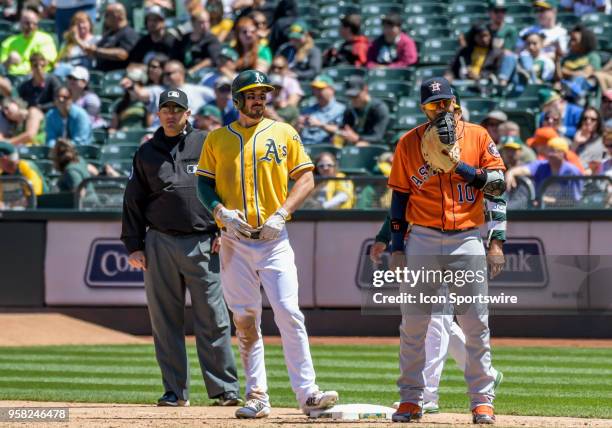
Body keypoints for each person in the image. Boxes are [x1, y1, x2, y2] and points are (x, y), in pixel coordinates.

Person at [195, 69, 339, 419]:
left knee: (290, 313)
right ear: (238, 99)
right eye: (252, 94)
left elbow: (306, 178)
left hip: (274, 240)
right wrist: (220, 211)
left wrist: (283, 213)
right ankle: (257, 395)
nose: (259, 99)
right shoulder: (217, 138)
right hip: (234, 240)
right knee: (245, 320)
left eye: (263, 94)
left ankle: (308, 394)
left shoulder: (284, 132)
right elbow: (203, 185)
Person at [388, 76, 506, 424]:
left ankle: (482, 400)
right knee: (414, 323)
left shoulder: (478, 136)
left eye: (445, 103)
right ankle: (411, 399)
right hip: (423, 236)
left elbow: (499, 185)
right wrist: (396, 246)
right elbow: (399, 197)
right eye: (433, 105)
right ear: (424, 108)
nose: (441, 109)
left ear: (455, 102)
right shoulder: (409, 143)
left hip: (468, 236)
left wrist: (461, 168)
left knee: (475, 322)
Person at [122, 87, 241, 409]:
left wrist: (223, 229)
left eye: (178, 109)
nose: (172, 114)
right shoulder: (146, 152)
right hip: (159, 240)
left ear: (188, 113)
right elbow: (133, 201)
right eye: (166, 109)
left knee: (214, 319)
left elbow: (226, 187)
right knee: (165, 321)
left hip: (204, 240)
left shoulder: (207, 142)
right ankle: (175, 391)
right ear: (158, 114)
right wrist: (134, 246)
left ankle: (225, 390)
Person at [370, 218, 504, 414]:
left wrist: (384, 237)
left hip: (448, 244)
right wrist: (384, 237)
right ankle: (488, 373)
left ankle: (428, 395)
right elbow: (400, 202)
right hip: (420, 245)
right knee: (436, 321)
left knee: (437, 322)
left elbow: (494, 198)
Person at [506, 137, 583, 205]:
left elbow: (575, 201)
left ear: (563, 153)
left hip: (566, 215)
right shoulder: (541, 165)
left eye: (554, 151)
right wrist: (511, 173)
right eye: (549, 150)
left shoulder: (572, 171)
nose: (550, 154)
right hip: (540, 214)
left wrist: (545, 200)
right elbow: (523, 169)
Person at [0, 9, 57, 75]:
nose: (31, 26)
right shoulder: (8, 42)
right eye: (27, 23)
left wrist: (31, 72)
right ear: (20, 24)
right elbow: (1, 67)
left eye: (34, 24)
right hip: (11, 77)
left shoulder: (45, 39)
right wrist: (8, 61)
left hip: (35, 77)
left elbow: (47, 62)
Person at [339, 76, 390, 146]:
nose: (353, 99)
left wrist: (358, 138)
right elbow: (344, 128)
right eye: (350, 96)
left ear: (365, 90)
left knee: (360, 145)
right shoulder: (350, 109)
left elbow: (377, 137)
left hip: (376, 147)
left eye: (356, 95)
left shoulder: (378, 108)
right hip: (352, 145)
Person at [88, 3, 139, 72]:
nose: (105, 18)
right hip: (100, 73)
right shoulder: (110, 33)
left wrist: (97, 51)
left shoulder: (129, 33)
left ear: (118, 16)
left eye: (107, 15)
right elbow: (93, 49)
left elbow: (123, 54)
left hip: (116, 75)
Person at [297, 74, 346, 146]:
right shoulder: (307, 109)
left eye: (320, 89)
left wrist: (320, 124)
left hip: (325, 149)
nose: (317, 92)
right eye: (315, 89)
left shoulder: (341, 110)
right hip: (304, 147)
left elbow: (342, 132)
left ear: (331, 90)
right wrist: (298, 125)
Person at [110, 64, 152, 132]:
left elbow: (149, 125)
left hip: (138, 136)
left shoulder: (147, 102)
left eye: (136, 83)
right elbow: (113, 127)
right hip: (122, 137)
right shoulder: (119, 104)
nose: (133, 86)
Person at [180, 9, 221, 75]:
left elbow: (213, 59)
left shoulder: (212, 39)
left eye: (207, 22)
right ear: (193, 23)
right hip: (184, 72)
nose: (205, 26)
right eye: (201, 22)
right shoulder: (184, 38)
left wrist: (194, 69)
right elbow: (176, 57)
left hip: (204, 73)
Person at [572, 106, 606, 172]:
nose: (588, 121)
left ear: (598, 122)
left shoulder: (604, 140)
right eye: (585, 118)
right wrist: (576, 143)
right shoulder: (575, 138)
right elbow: (566, 159)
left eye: (593, 119)